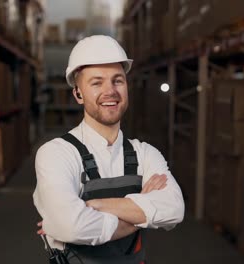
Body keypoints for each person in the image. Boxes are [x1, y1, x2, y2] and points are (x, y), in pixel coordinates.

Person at [33, 35, 185, 264]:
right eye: (96, 83)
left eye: (118, 80)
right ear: (78, 94)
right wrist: (140, 209)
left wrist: (95, 205)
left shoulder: (145, 153)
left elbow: (173, 209)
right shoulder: (56, 154)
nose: (110, 91)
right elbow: (73, 227)